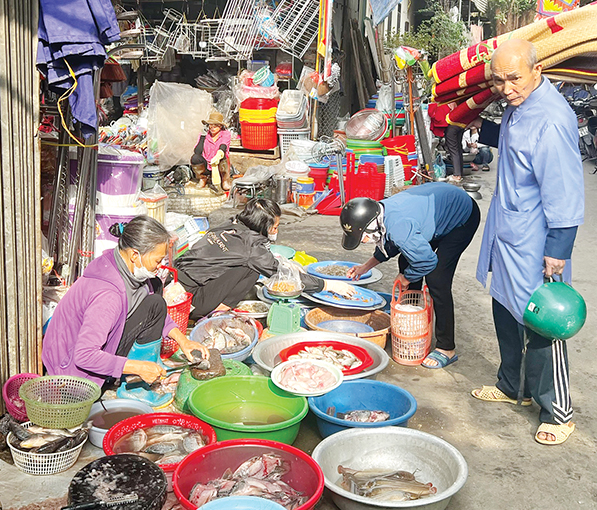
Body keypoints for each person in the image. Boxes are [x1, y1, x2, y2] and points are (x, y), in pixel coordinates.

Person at [472, 38, 584, 446]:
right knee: (505, 306)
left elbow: (564, 189)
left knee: (542, 318)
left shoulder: (552, 118)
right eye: (499, 80)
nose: (506, 88)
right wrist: (479, 127)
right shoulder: (520, 105)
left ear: (537, 70)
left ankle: (557, 410)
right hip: (509, 229)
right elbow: (517, 147)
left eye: (514, 78)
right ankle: (511, 386)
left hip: (537, 237)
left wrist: (559, 246)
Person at [42, 216, 208, 388]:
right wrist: (138, 367)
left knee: (156, 295)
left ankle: (142, 368)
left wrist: (183, 341)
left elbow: (154, 310)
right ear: (135, 255)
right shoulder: (108, 296)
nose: (161, 265)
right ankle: (133, 386)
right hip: (71, 375)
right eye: (158, 260)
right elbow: (84, 355)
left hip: (85, 352)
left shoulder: (124, 266)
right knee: (155, 300)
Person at [340, 184, 481, 369]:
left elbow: (427, 261)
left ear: (370, 227)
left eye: (362, 238)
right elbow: (389, 244)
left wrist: (406, 278)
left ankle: (447, 348)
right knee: (406, 262)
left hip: (461, 217)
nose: (363, 242)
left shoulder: (399, 226)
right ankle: (410, 318)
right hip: (434, 213)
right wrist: (365, 267)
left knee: (437, 278)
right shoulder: (379, 212)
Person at [176, 198, 355, 318]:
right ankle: (217, 311)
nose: (276, 231)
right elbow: (282, 274)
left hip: (175, 283)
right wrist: (328, 285)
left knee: (249, 265)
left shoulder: (229, 225)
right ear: (262, 225)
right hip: (189, 302)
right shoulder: (251, 249)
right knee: (252, 270)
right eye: (275, 227)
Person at [191, 111, 232, 192]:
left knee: (222, 156)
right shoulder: (205, 134)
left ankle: (224, 179)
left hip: (219, 163)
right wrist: (203, 136)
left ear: (220, 126)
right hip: (207, 163)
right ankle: (203, 178)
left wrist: (218, 155)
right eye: (211, 125)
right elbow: (197, 151)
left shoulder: (225, 134)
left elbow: (223, 147)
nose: (212, 128)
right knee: (195, 158)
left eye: (216, 126)